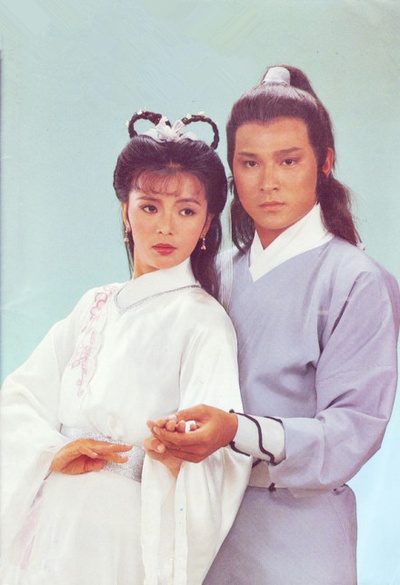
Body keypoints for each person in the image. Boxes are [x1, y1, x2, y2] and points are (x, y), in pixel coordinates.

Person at [147, 66, 400, 584]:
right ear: (231, 171)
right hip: (207, 529)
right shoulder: (216, 273)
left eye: (288, 161)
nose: (268, 183)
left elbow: (351, 432)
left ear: (324, 162)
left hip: (300, 540)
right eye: (249, 163)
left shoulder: (356, 280)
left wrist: (235, 431)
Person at [0, 110, 251, 585]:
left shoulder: (204, 322)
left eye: (186, 211)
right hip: (54, 517)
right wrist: (51, 451)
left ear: (206, 224)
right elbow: (19, 399)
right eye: (150, 207)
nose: (165, 227)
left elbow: (218, 454)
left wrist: (173, 458)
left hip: (125, 531)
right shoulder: (94, 304)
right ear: (125, 210)